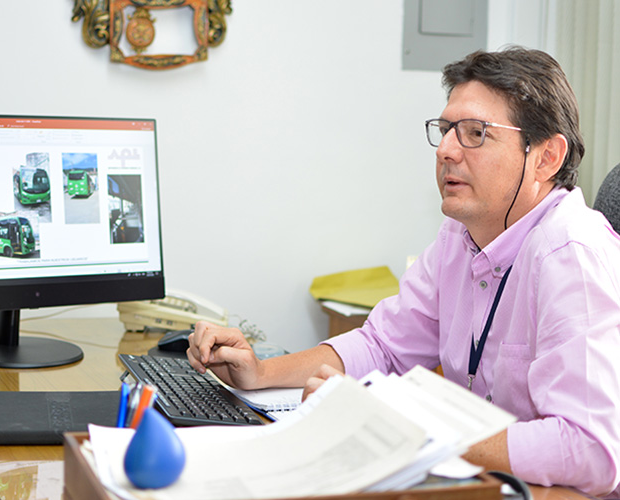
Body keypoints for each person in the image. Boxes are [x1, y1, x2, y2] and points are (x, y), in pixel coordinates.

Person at [186, 46, 620, 498]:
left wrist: (400, 422)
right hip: (481, 485)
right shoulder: (460, 234)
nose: (447, 150)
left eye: (475, 133)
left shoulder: (572, 253)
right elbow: (383, 345)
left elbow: (591, 449)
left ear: (546, 157)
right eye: (446, 130)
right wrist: (260, 372)